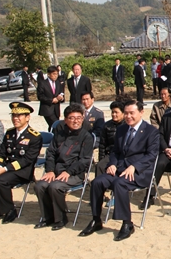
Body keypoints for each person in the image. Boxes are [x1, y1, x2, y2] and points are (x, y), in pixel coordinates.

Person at [81, 100, 159, 241]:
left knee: (119, 184)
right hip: (120, 169)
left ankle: (127, 223)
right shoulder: (122, 129)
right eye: (126, 113)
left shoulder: (151, 131)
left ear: (141, 112)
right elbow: (115, 151)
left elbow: (151, 155)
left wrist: (134, 166)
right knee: (97, 182)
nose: (128, 116)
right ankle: (96, 219)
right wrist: (112, 164)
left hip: (140, 172)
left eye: (132, 113)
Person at [0, 102, 43, 224]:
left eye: (19, 116)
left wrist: (5, 169)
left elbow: (27, 160)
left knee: (0, 181)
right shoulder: (9, 133)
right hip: (5, 167)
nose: (15, 119)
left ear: (27, 117)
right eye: (13, 116)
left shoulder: (35, 136)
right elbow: (1, 152)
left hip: (22, 171)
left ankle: (10, 211)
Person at [34, 104, 94, 230]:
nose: (76, 121)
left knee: (55, 187)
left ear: (83, 119)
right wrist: (50, 170)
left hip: (74, 174)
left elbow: (84, 160)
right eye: (72, 118)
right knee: (40, 186)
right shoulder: (59, 134)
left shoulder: (86, 137)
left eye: (79, 118)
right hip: (56, 171)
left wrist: (69, 172)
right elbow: (50, 153)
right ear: (66, 120)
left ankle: (60, 218)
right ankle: (47, 217)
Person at [97, 99, 127, 176]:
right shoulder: (107, 126)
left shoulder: (127, 125)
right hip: (110, 154)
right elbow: (102, 145)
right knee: (100, 166)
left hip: (124, 155)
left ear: (123, 113)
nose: (114, 114)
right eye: (112, 112)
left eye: (116, 112)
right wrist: (102, 159)